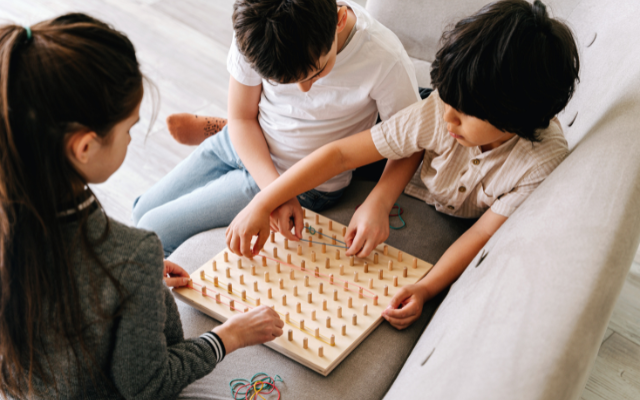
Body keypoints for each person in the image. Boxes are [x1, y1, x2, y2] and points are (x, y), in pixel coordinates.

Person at [224, 0, 579, 330]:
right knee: (416, 119)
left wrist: (426, 288)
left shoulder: (538, 165)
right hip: (399, 136)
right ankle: (219, 128)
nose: (448, 117)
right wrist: (264, 201)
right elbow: (341, 154)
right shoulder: (438, 111)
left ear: (514, 120)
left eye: (463, 113)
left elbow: (483, 234)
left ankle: (216, 128)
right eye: (447, 100)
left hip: (430, 166)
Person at [0, 14, 282, 399]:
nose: (132, 138)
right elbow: (148, 385)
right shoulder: (131, 255)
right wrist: (229, 336)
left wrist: (129, 281)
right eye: (129, 129)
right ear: (84, 147)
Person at [131, 0, 421, 257]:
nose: (305, 89)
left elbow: (409, 141)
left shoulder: (384, 58)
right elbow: (243, 118)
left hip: (305, 184)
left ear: (339, 20)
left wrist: (380, 201)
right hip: (239, 142)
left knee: (152, 230)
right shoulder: (256, 32)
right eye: (284, 83)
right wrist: (274, 195)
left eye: (318, 72)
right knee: (141, 209)